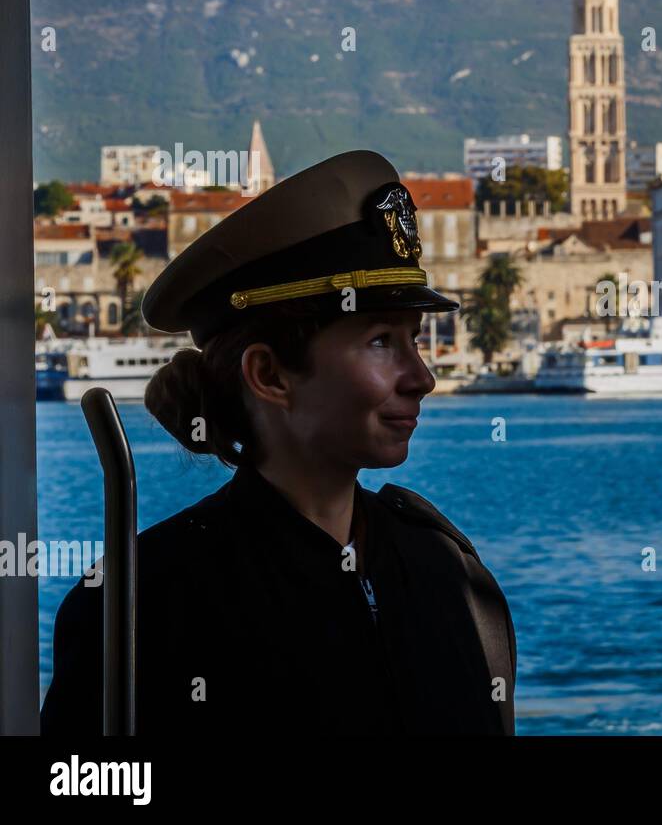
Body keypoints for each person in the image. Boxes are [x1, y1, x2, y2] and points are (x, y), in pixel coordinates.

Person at [41, 149, 517, 735]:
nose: (422, 377)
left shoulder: (448, 573)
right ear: (268, 375)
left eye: (412, 340)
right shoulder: (144, 604)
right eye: (378, 342)